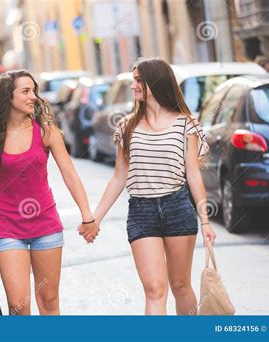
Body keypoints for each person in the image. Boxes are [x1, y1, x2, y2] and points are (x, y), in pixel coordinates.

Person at [87, 58, 216, 315]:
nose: (133, 85)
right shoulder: (127, 126)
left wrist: (205, 221)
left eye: (138, 80)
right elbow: (118, 177)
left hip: (178, 207)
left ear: (154, 82)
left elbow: (193, 174)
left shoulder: (185, 124)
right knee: (155, 290)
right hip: (141, 212)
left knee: (180, 285)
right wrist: (95, 218)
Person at [0, 70, 99, 315]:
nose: (33, 97)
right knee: (18, 307)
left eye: (34, 91)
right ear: (9, 97)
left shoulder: (46, 131)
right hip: (8, 229)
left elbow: (69, 173)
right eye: (26, 91)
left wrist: (88, 215)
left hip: (46, 226)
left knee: (49, 302)